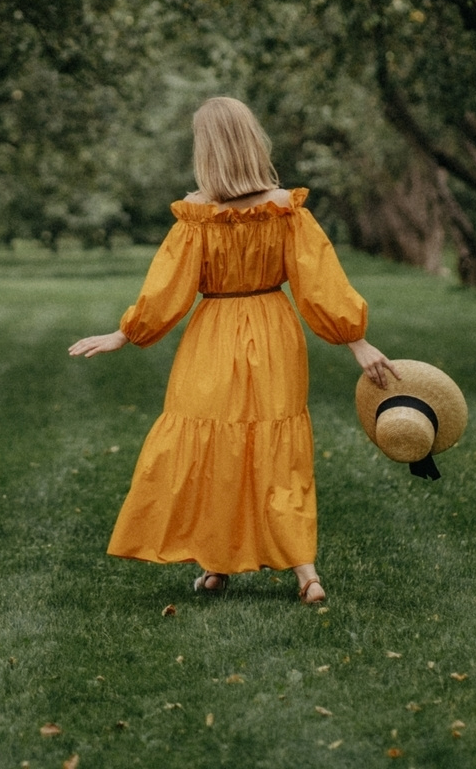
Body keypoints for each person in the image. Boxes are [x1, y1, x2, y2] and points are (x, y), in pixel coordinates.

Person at [69, 96, 398, 604]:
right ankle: (303, 573)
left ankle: (217, 564)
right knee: (277, 446)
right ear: (252, 142)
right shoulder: (286, 210)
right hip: (273, 331)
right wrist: (354, 340)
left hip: (214, 334)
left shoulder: (198, 218)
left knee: (212, 445)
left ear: (206, 150)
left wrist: (127, 333)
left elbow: (168, 291)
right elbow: (319, 282)